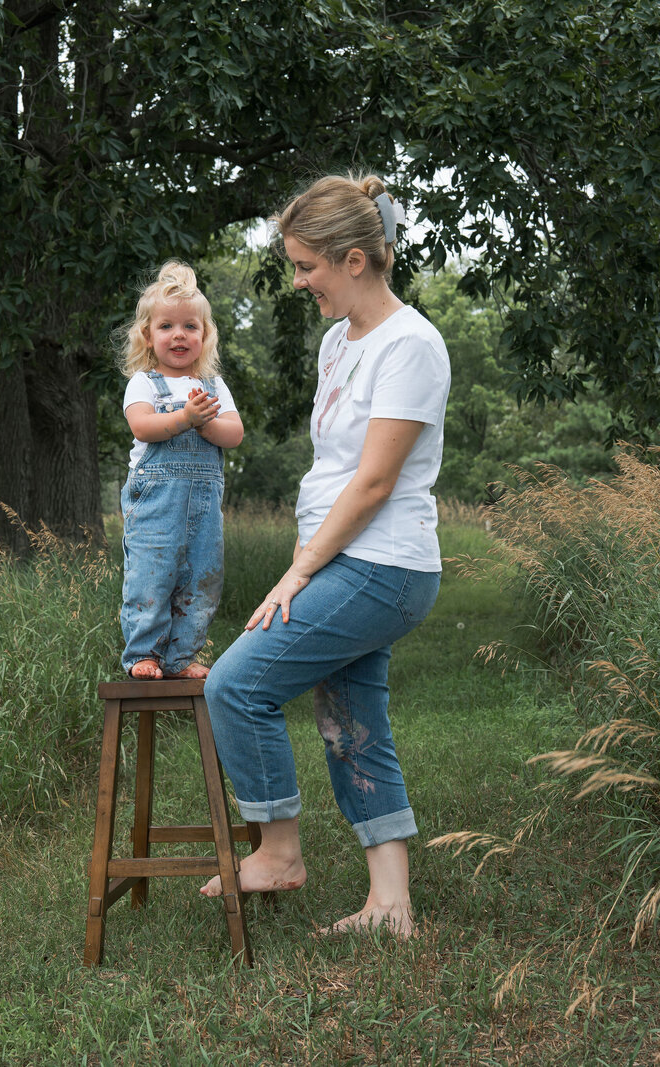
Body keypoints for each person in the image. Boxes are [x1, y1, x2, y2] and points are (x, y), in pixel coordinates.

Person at [201, 175, 450, 937]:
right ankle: (391, 906)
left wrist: (299, 569)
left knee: (236, 683)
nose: (300, 280)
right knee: (351, 717)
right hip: (353, 557)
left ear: (353, 259)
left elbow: (374, 480)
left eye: (307, 266)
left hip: (385, 562)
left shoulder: (412, 345)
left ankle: (278, 850)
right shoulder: (339, 342)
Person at [115, 261, 244, 680]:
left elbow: (234, 434)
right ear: (148, 336)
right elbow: (143, 427)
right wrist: (186, 419)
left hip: (203, 508)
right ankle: (144, 655)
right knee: (151, 575)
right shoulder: (143, 384)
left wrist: (204, 422)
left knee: (201, 578)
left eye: (190, 326)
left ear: (204, 337)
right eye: (167, 326)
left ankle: (182, 656)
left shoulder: (214, 387)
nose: (179, 335)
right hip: (156, 503)